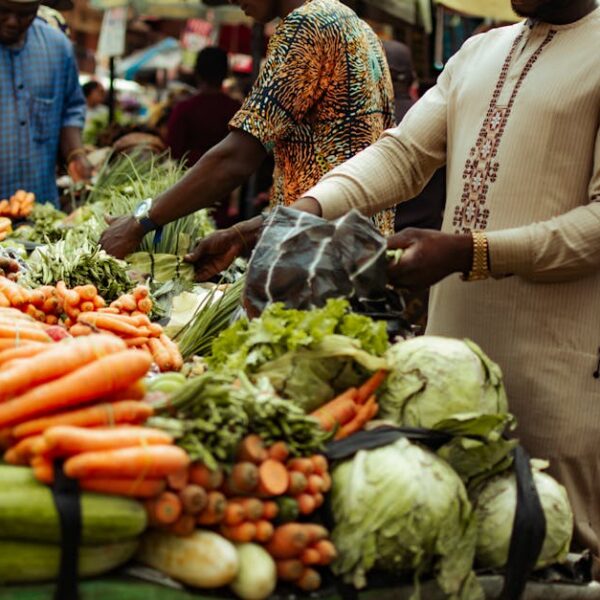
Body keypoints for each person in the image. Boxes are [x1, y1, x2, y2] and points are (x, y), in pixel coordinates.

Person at [285, 0, 599, 562]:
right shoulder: (479, 51)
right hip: (444, 377)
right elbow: (403, 154)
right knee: (447, 546)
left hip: (555, 375)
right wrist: (305, 208)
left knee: (554, 551)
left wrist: (468, 251)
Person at [99, 0, 396, 259]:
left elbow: (237, 158)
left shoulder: (306, 25)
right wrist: (239, 234)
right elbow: (323, 180)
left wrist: (142, 221)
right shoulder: (358, 28)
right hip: (358, 249)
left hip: (317, 257)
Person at [0, 0, 90, 204]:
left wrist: (75, 154)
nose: (13, 22)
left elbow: (71, 108)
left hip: (42, 208)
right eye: (3, 11)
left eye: (24, 14)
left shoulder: (58, 48)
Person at [167, 47, 241, 167]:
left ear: (197, 73)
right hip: (228, 181)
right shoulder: (236, 110)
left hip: (188, 178)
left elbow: (172, 151)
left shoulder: (184, 109)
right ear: (225, 74)